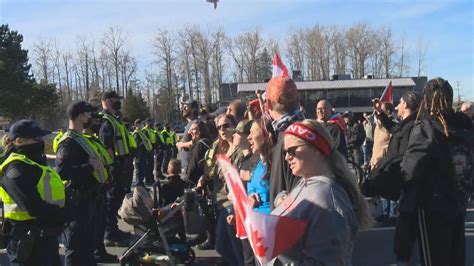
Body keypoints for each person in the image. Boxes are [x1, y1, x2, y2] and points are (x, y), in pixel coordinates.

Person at [272, 119, 373, 265]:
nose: (287, 157)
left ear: (316, 149)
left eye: (292, 150)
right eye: (285, 152)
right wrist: (281, 199)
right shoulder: (307, 183)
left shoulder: (327, 200)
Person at [400, 78, 470, 265]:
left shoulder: (427, 128)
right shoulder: (465, 126)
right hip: (459, 200)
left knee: (434, 259)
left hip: (431, 206)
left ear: (427, 100)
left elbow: (410, 171)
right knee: (456, 257)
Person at [0, 120, 67, 266]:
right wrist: (64, 213)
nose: (41, 141)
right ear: (19, 141)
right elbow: (33, 206)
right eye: (36, 138)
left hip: (45, 237)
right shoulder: (15, 169)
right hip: (27, 240)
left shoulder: (33, 163)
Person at [56, 101, 106, 266]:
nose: (91, 117)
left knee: (87, 246)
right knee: (75, 247)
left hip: (89, 198)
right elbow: (63, 172)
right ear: (79, 116)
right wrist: (90, 168)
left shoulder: (80, 139)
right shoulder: (68, 142)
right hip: (77, 203)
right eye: (88, 114)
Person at [198, 114, 244, 265]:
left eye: (226, 125)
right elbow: (214, 171)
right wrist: (205, 178)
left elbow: (238, 178)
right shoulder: (222, 147)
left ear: (234, 125)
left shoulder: (238, 149)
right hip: (220, 202)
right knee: (221, 246)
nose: (222, 129)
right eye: (219, 127)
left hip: (232, 204)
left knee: (235, 248)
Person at [265, 76, 305, 210]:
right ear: (298, 100)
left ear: (268, 105)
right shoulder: (306, 131)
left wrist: (280, 202)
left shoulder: (290, 137)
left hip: (289, 222)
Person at [82, 111, 117, 263]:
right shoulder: (83, 141)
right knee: (94, 226)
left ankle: (100, 250)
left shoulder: (95, 140)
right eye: (95, 120)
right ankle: (96, 252)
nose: (97, 123)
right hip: (92, 190)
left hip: (102, 187)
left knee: (100, 223)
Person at [98, 91, 132, 246]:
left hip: (122, 164)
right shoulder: (106, 121)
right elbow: (107, 146)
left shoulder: (115, 120)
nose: (118, 102)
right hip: (114, 166)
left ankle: (113, 228)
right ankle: (108, 233)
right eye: (115, 99)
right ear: (106, 101)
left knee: (117, 198)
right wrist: (112, 167)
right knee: (111, 200)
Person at [244, 119, 272, 266]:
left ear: (266, 135)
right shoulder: (257, 160)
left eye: (253, 132)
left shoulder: (276, 162)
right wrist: (251, 195)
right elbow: (251, 183)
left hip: (272, 231)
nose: (248, 137)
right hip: (257, 228)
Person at [185, 120, 211, 185]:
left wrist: (187, 182)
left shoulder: (200, 145)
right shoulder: (209, 141)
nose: (190, 132)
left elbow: (193, 167)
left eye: (193, 129)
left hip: (198, 182)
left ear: (200, 131)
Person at [176, 99, 199, 170]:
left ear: (193, 109)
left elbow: (195, 143)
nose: (183, 109)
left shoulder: (195, 123)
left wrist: (180, 144)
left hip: (190, 167)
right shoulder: (189, 124)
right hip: (186, 166)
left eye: (186, 107)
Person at [132, 119, 153, 186]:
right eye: (140, 124)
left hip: (143, 154)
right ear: (137, 125)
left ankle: (141, 185)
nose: (142, 125)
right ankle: (139, 186)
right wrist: (142, 143)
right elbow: (136, 144)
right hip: (139, 155)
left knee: (143, 170)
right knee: (139, 171)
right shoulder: (136, 133)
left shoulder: (140, 133)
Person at [142, 119, 158, 184]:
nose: (151, 124)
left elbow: (153, 140)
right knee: (148, 166)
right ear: (146, 123)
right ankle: (147, 180)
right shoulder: (144, 131)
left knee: (151, 165)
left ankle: (151, 178)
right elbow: (146, 141)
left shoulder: (151, 130)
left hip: (151, 150)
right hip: (147, 151)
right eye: (149, 122)